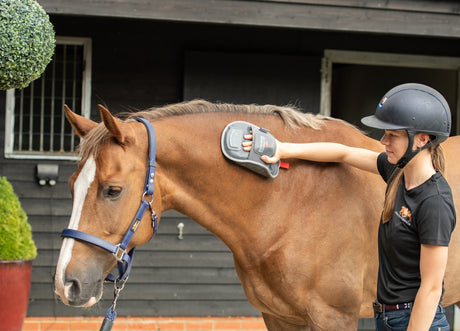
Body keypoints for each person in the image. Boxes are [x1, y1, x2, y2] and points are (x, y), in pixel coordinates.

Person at [242, 83, 456, 331]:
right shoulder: (396, 173)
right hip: (389, 318)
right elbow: (343, 153)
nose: (383, 141)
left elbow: (431, 289)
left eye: (393, 135)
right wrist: (283, 148)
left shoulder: (434, 201)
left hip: (418, 322)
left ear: (422, 139)